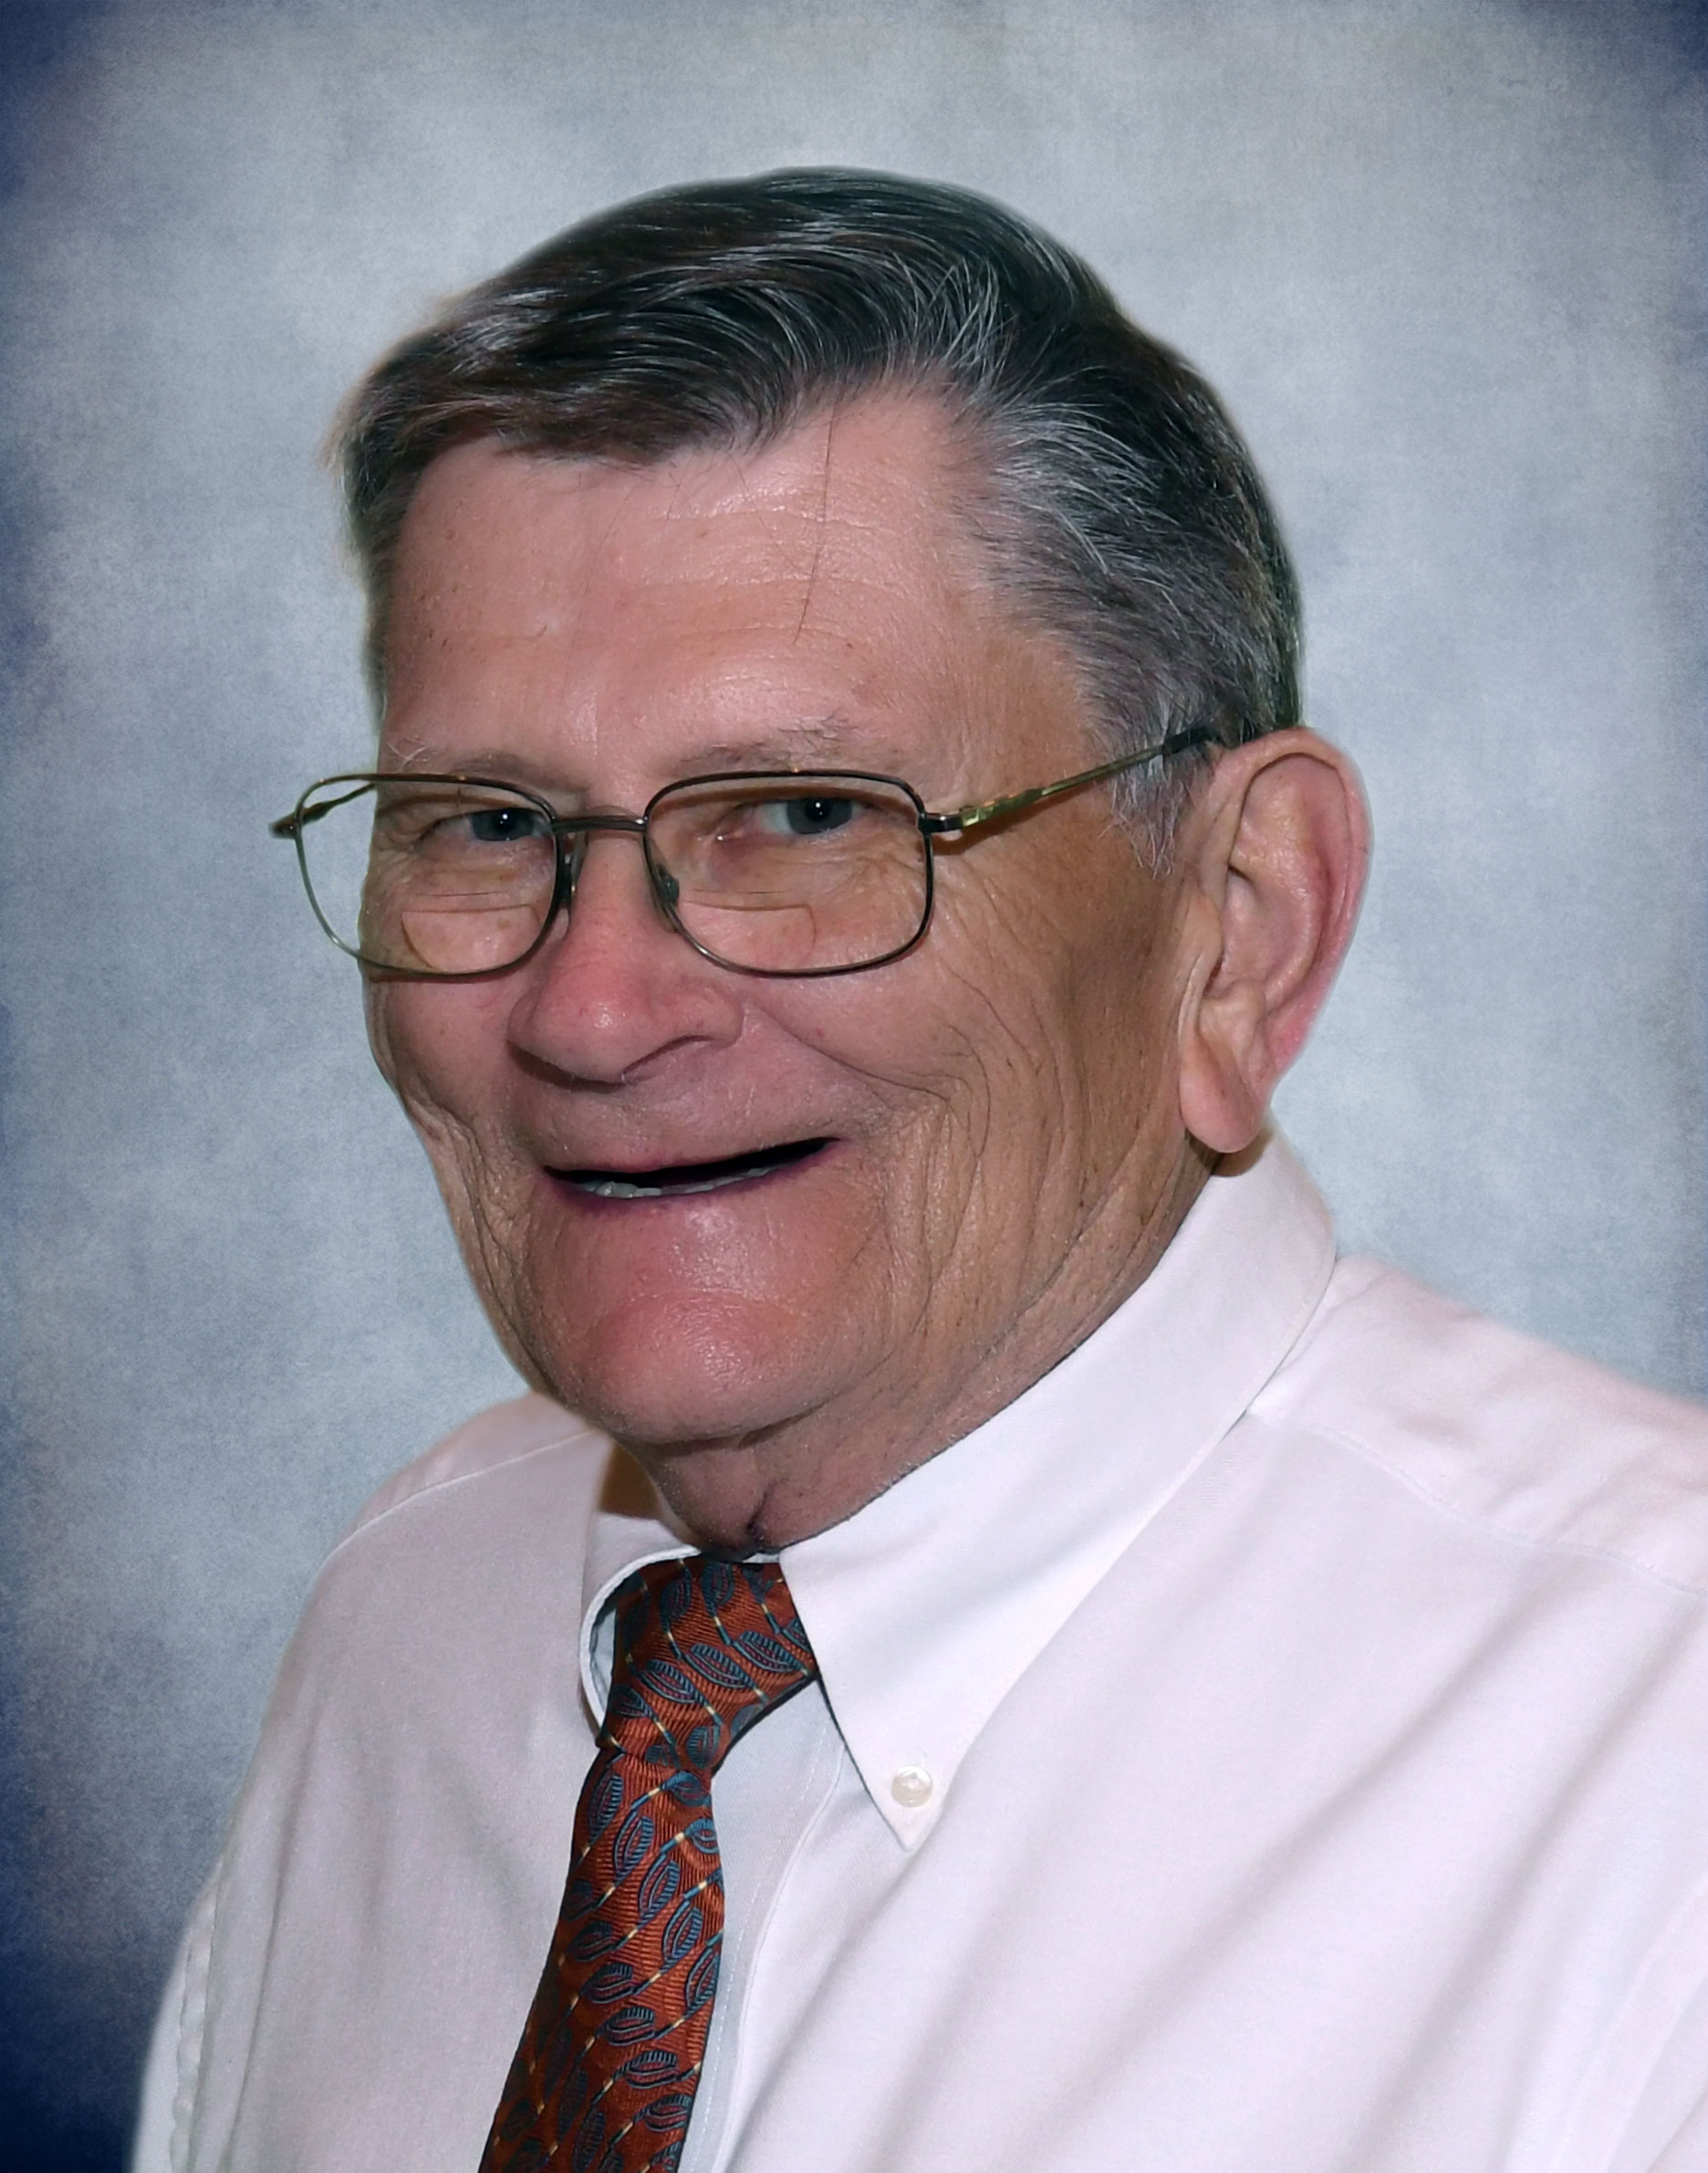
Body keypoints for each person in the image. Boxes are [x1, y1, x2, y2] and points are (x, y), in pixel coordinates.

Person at [133, 171, 1708, 2173]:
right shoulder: (411, 1617)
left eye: (806, 814)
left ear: (1241, 924)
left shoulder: (1660, 1780)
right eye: (487, 823)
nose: (592, 1012)